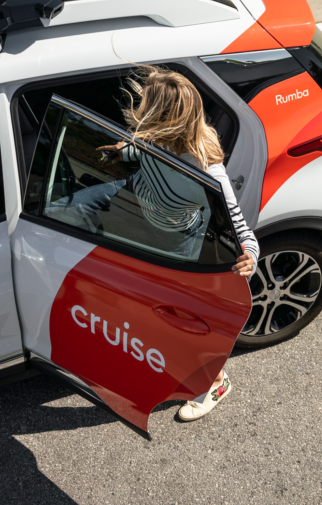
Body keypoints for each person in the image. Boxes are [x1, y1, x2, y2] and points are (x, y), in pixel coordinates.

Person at [95, 67, 258, 421]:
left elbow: (241, 229)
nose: (139, 108)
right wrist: (121, 154)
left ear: (162, 118)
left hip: (174, 243)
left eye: (146, 104)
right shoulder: (152, 139)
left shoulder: (206, 171)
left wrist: (251, 257)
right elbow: (141, 153)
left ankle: (215, 382)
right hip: (135, 212)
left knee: (177, 324)